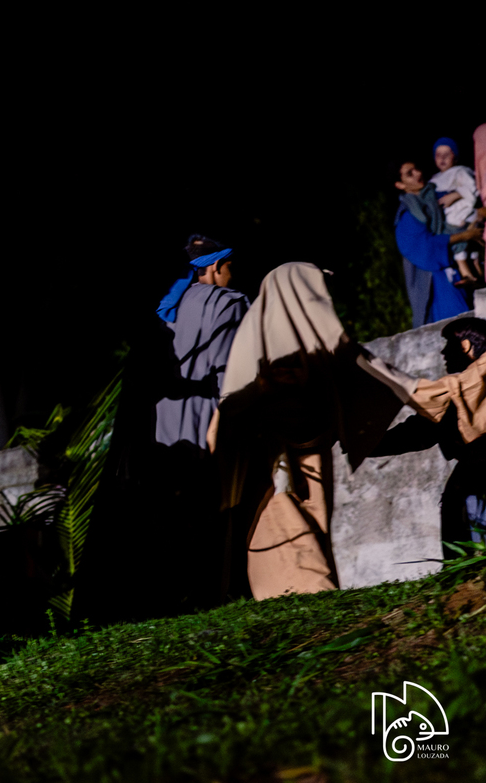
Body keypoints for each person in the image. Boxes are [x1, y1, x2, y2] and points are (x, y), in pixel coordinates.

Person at [213, 264, 424, 600]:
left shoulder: (304, 328)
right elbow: (239, 400)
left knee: (316, 519)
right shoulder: (266, 331)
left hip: (312, 441)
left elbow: (354, 364)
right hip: (276, 452)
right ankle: (303, 588)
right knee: (284, 517)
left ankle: (306, 589)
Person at [371, 317, 485, 551]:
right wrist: (366, 443)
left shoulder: (466, 386)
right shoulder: (461, 391)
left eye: (449, 345)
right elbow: (421, 431)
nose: (443, 353)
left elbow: (420, 431)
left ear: (465, 346)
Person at [154, 235, 250, 450]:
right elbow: (230, 376)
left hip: (163, 430)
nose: (232, 274)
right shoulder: (229, 303)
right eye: (230, 266)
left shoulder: (174, 303)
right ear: (217, 265)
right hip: (207, 428)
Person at [393, 159, 482, 327]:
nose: (418, 174)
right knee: (459, 325)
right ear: (400, 184)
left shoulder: (436, 195)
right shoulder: (407, 216)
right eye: (409, 174)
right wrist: (464, 236)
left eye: (416, 169)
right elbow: (423, 248)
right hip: (436, 281)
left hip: (460, 268)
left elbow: (466, 204)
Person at [430, 137, 482, 286]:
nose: (442, 158)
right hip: (449, 218)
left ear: (455, 156)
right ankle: (476, 275)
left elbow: (472, 189)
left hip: (463, 215)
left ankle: (468, 273)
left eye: (447, 154)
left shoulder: (460, 171)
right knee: (464, 248)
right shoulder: (434, 179)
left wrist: (455, 195)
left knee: (462, 247)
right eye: (438, 155)